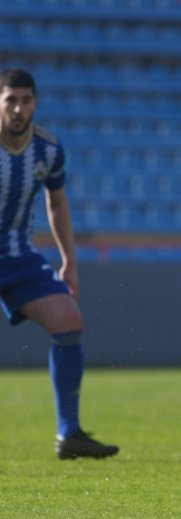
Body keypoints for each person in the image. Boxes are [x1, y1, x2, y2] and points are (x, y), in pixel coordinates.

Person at [0, 68, 119, 460]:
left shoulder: (48, 149)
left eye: (25, 100)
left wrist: (68, 260)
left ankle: (69, 435)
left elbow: (57, 203)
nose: (18, 109)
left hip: (18, 258)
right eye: (10, 100)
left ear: (35, 102)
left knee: (69, 320)